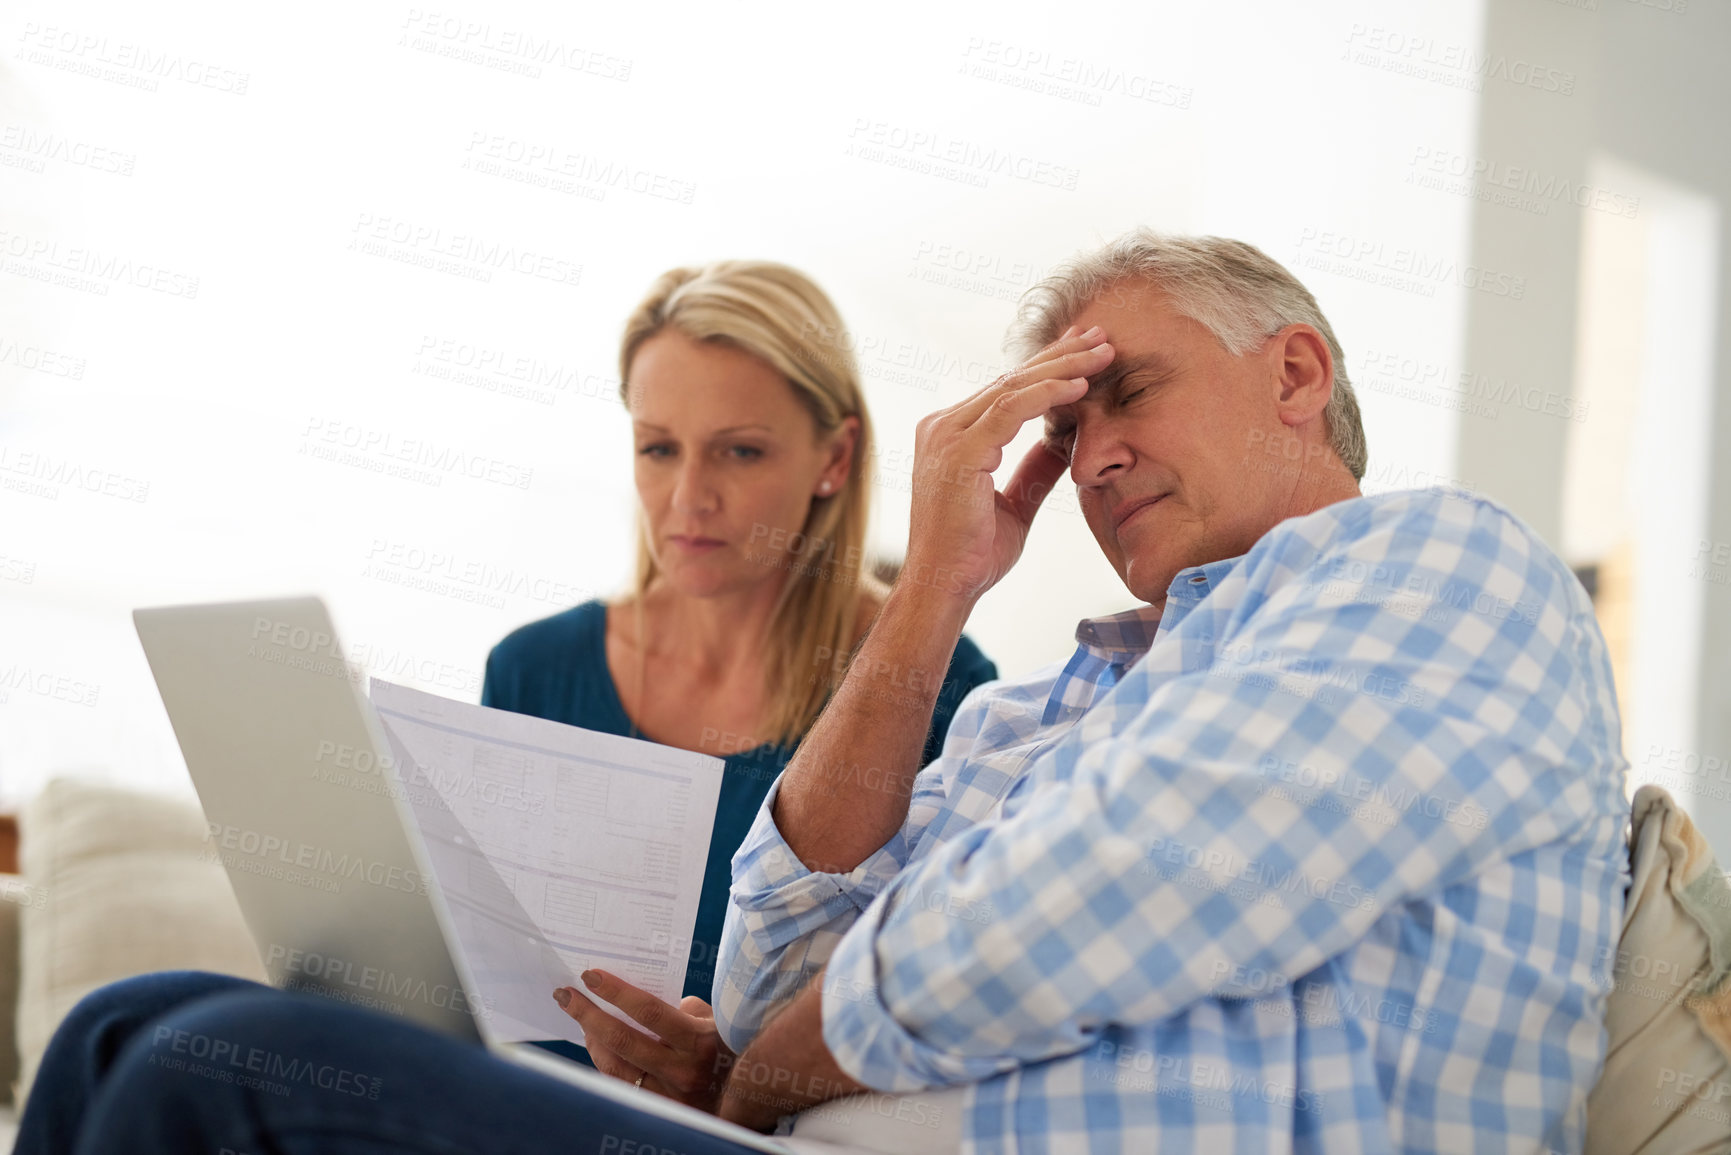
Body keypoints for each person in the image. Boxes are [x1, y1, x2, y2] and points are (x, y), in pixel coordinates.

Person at [16, 231, 1627, 1155]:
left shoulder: (1430, 571)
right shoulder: (1056, 699)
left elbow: (1097, 894)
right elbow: (768, 950)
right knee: (119, 1023)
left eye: (1121, 389)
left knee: (195, 1068)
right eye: (1061, 428)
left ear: (1291, 375)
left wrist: (762, 1070)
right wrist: (925, 593)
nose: (1093, 454)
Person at [479, 261, 996, 1048]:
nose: (689, 497)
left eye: (740, 452)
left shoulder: (942, 685)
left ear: (834, 457)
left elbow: (928, 999)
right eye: (658, 449)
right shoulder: (531, 669)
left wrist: (728, 1075)